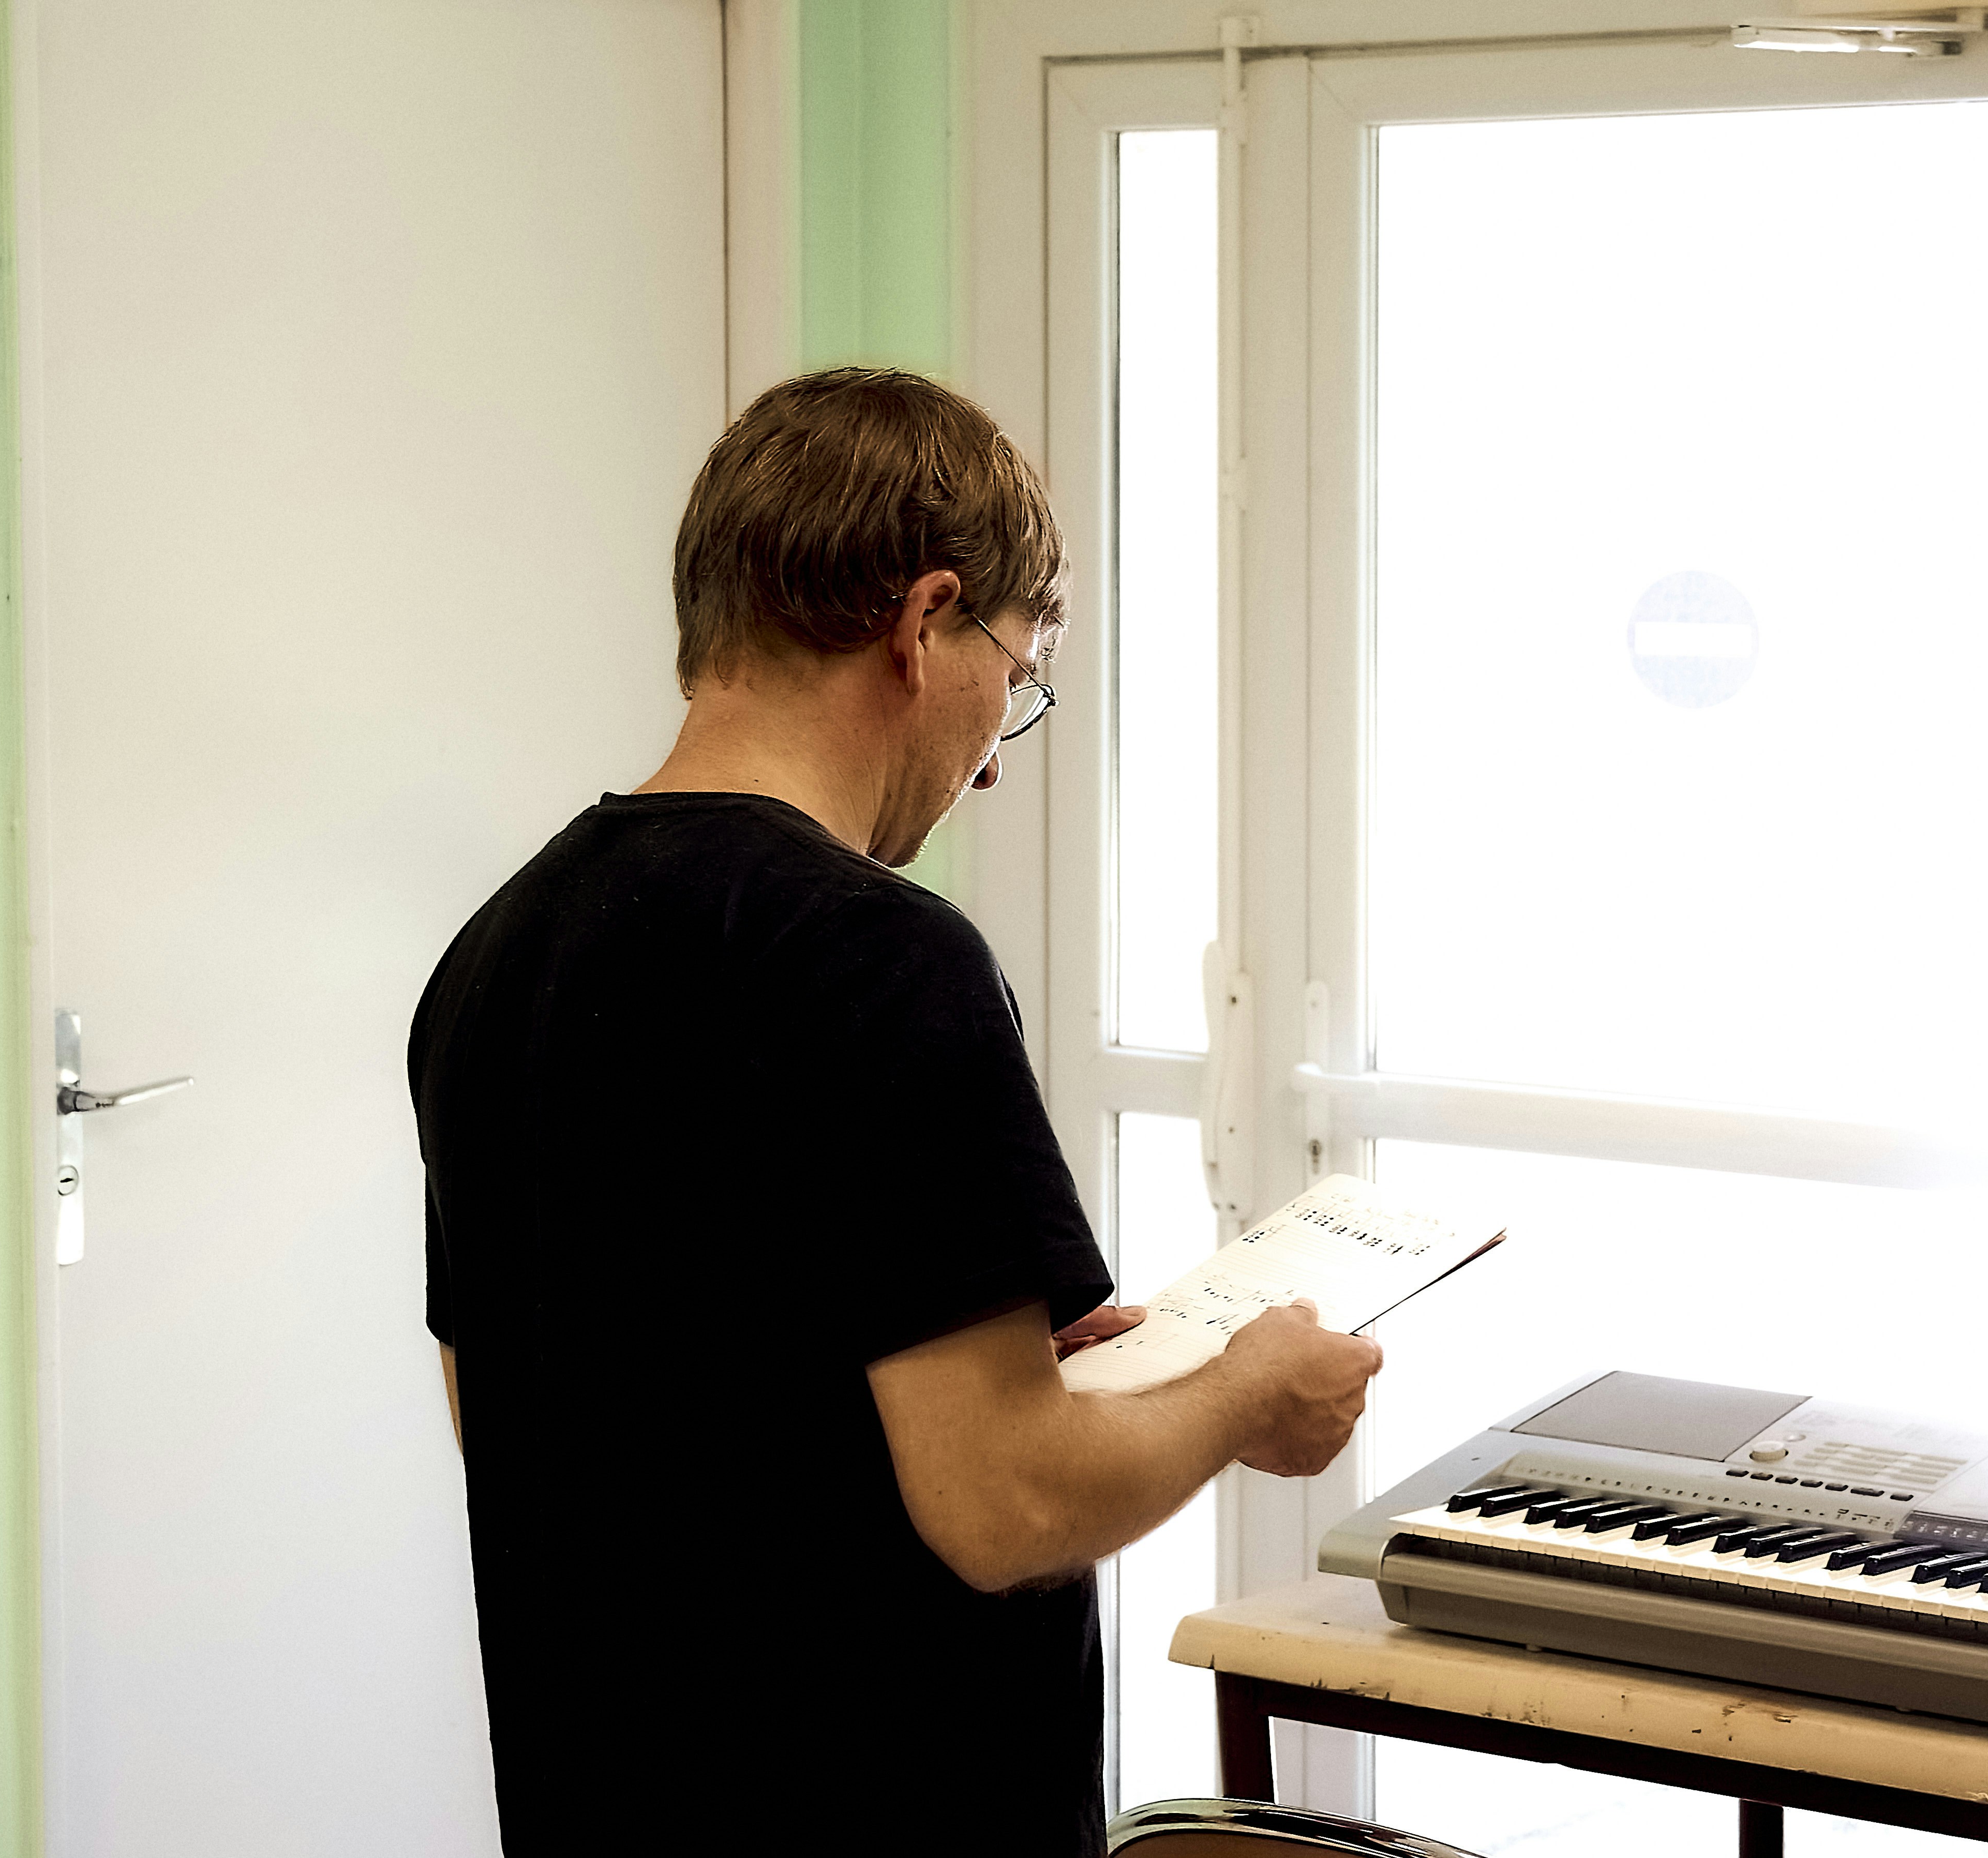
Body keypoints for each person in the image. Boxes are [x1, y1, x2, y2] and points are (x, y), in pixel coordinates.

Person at [410, 367, 1384, 1857]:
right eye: (1018, 678)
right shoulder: (880, 956)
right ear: (925, 622)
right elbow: (1005, 1506)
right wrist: (1244, 1395)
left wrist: (971, 1350)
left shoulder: (492, 957)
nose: (992, 757)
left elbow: (550, 1427)